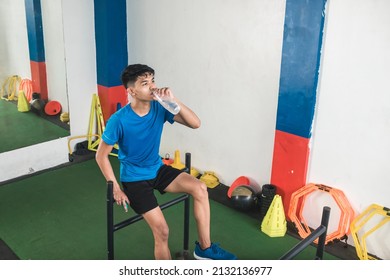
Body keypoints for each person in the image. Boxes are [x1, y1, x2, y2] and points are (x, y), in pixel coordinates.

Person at [95, 64, 236, 260]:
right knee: (162, 231)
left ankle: (204, 249)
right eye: (145, 83)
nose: (152, 87)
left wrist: (173, 100)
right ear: (131, 91)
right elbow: (101, 155)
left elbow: (195, 123)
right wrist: (116, 188)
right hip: (135, 180)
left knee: (200, 188)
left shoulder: (160, 107)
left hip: (158, 169)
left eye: (153, 81)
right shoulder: (118, 120)